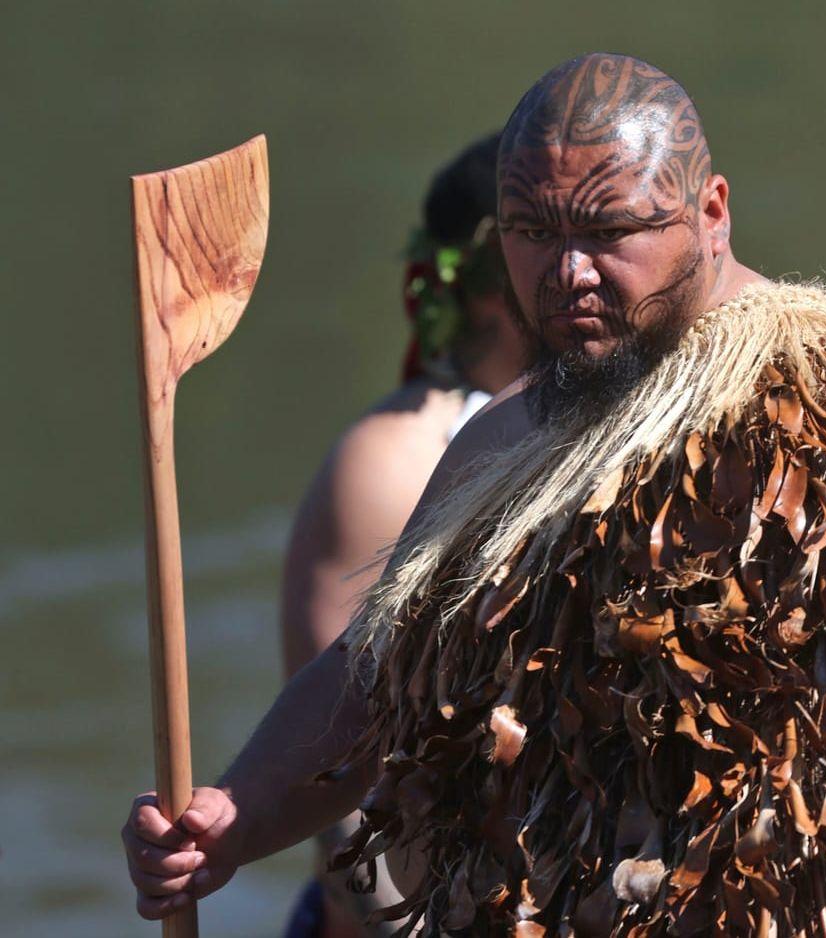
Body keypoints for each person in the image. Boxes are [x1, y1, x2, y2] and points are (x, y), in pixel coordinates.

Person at [123, 54, 826, 935]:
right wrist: (233, 813)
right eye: (532, 233)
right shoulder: (505, 441)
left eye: (609, 229)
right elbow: (379, 675)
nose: (568, 272)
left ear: (711, 212)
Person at [277, 134, 532, 938]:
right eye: (549, 240)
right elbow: (341, 782)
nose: (582, 268)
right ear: (492, 287)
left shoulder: (595, 427)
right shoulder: (392, 461)